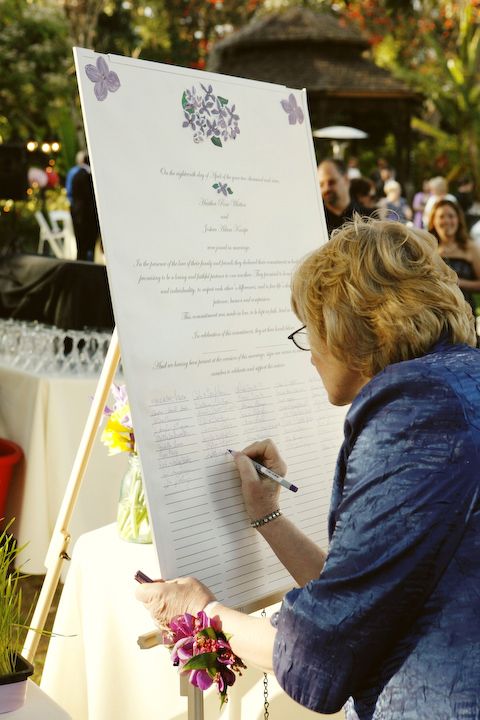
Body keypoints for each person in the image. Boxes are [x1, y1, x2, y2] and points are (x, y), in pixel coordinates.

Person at [136, 218, 480, 719]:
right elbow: (367, 594)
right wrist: (268, 518)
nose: (311, 356)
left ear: (351, 327)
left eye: (309, 330)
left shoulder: (415, 410)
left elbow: (320, 650)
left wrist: (201, 611)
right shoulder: (460, 377)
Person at [428, 198, 480, 315]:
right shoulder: (428, 249)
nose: (446, 221)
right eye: (441, 217)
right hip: (435, 314)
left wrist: (457, 282)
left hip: (464, 314)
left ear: (458, 220)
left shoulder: (470, 248)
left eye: (451, 216)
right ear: (433, 221)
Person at [317, 159, 373, 234]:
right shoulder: (317, 222)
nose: (326, 188)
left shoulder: (369, 218)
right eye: (321, 185)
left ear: (346, 180)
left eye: (331, 182)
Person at [70, 154, 100, 261]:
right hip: (86, 216)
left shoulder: (76, 174)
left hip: (77, 214)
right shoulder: (88, 176)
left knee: (81, 247)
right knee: (88, 245)